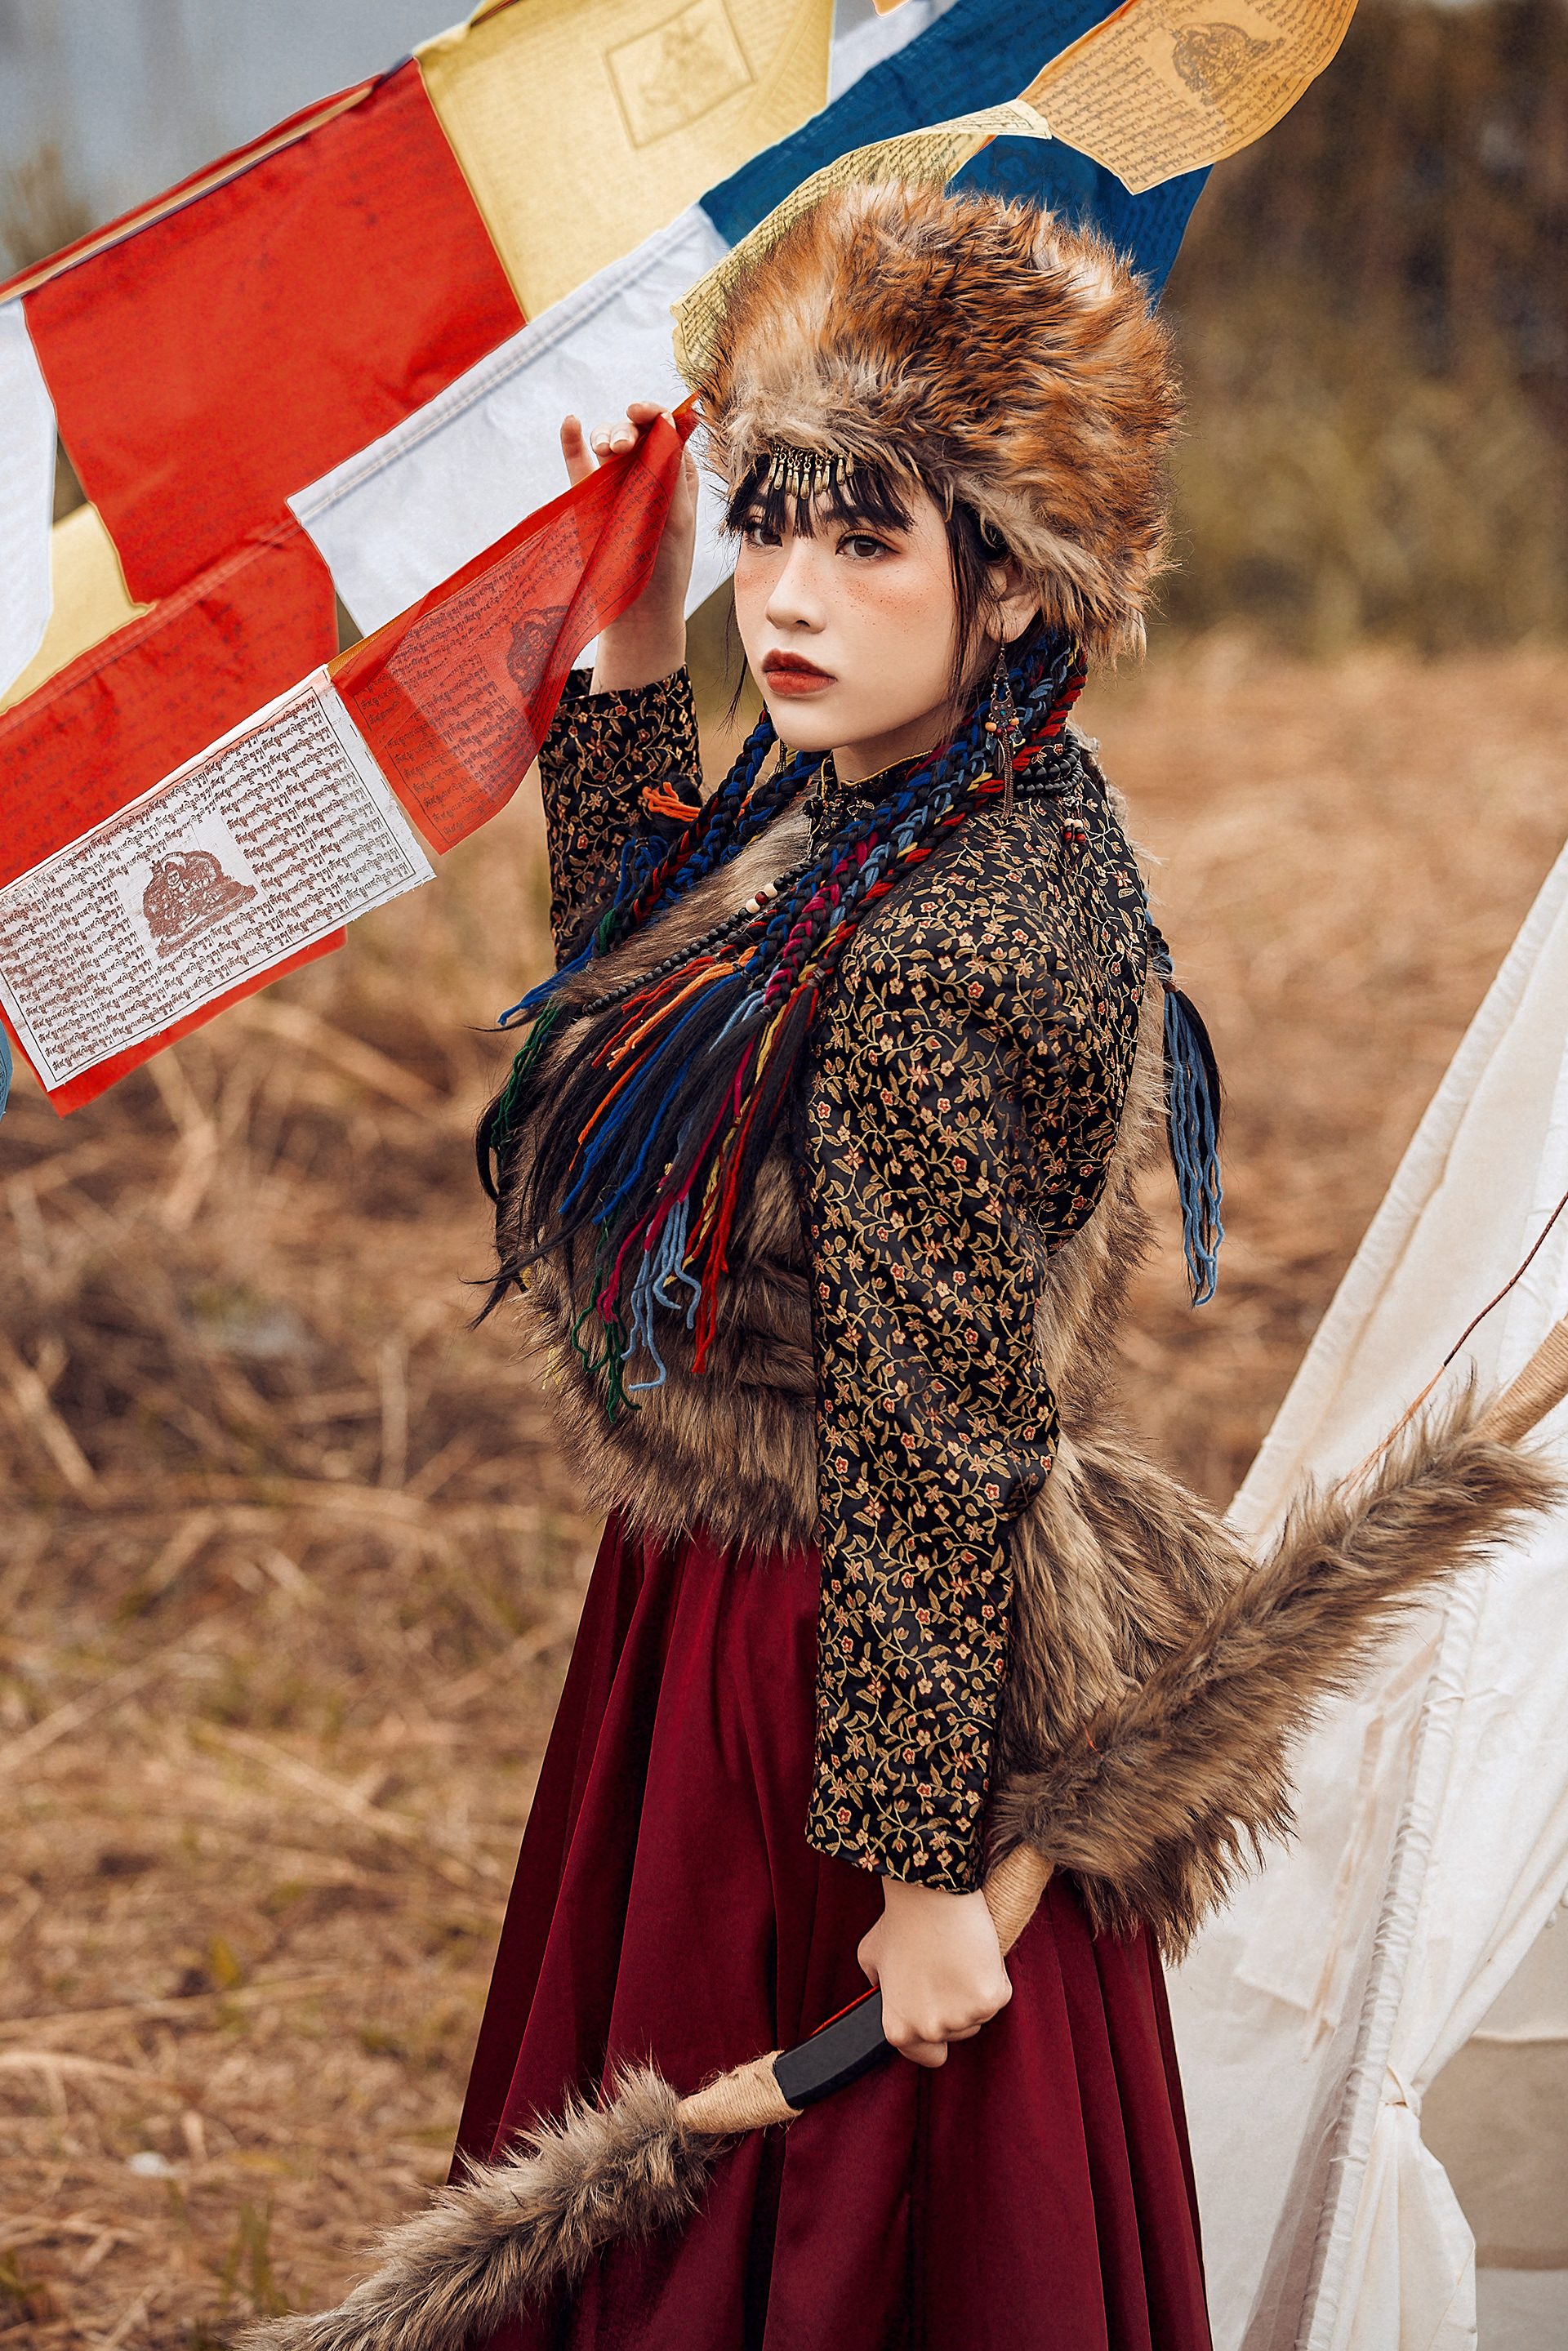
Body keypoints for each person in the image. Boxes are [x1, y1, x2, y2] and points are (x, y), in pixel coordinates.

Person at [256, 185, 1553, 2351]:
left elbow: (932, 1438)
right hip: (756, 1618)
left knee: (850, 2253)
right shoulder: (895, 804)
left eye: (866, 541)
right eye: (767, 525)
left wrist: (929, 1880)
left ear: (1015, 575)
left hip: (855, 1671)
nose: (786, 591)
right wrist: (621, 666)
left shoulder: (956, 938)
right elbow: (662, 1004)